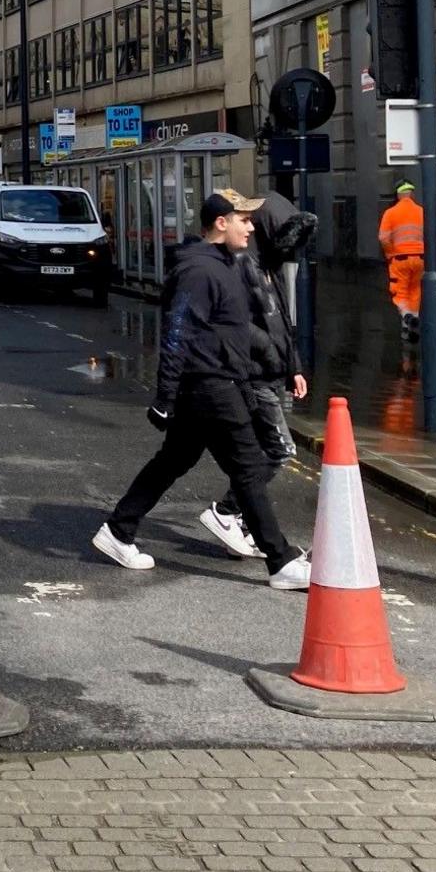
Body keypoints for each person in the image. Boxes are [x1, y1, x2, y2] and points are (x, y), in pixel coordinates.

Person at [92, 191, 311, 589]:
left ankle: (118, 530)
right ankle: (280, 562)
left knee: (172, 461)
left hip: (217, 382)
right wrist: (164, 397)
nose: (250, 227)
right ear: (221, 223)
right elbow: (177, 334)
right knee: (247, 468)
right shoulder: (201, 271)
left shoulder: (226, 265)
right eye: (243, 219)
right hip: (210, 385)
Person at [201, 191, 314, 559]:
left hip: (268, 373)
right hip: (252, 375)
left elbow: (281, 320)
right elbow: (243, 328)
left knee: (259, 452)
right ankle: (227, 511)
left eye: (252, 221)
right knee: (279, 449)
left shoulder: (267, 263)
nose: (248, 227)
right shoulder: (243, 265)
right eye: (244, 221)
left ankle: (241, 518)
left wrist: (292, 366)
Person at [377, 179, 425, 339]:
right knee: (415, 290)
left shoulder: (391, 213)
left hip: (399, 259)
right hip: (419, 258)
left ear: (398, 194)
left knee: (400, 291)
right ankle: (410, 326)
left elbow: (383, 238)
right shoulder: (421, 211)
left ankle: (406, 316)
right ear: (411, 193)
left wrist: (390, 253)